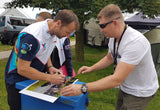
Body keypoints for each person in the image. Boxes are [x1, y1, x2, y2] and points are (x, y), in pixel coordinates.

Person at [61, 4, 159, 110]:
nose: (101, 30)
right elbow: (109, 58)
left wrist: (83, 88)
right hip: (126, 87)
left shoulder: (135, 42)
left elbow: (116, 80)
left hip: (140, 92)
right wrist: (92, 68)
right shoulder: (113, 37)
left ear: (115, 23)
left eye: (103, 26)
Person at [5, 9, 79, 110]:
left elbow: (44, 49)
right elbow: (22, 69)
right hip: (17, 80)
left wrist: (50, 66)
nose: (66, 37)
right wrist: (50, 78)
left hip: (34, 77)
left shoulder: (53, 30)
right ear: (58, 23)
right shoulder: (32, 36)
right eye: (66, 32)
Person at [37, 12, 75, 77]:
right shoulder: (38, 35)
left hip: (55, 70)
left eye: (39, 23)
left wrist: (70, 75)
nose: (38, 25)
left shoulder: (61, 37)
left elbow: (68, 58)